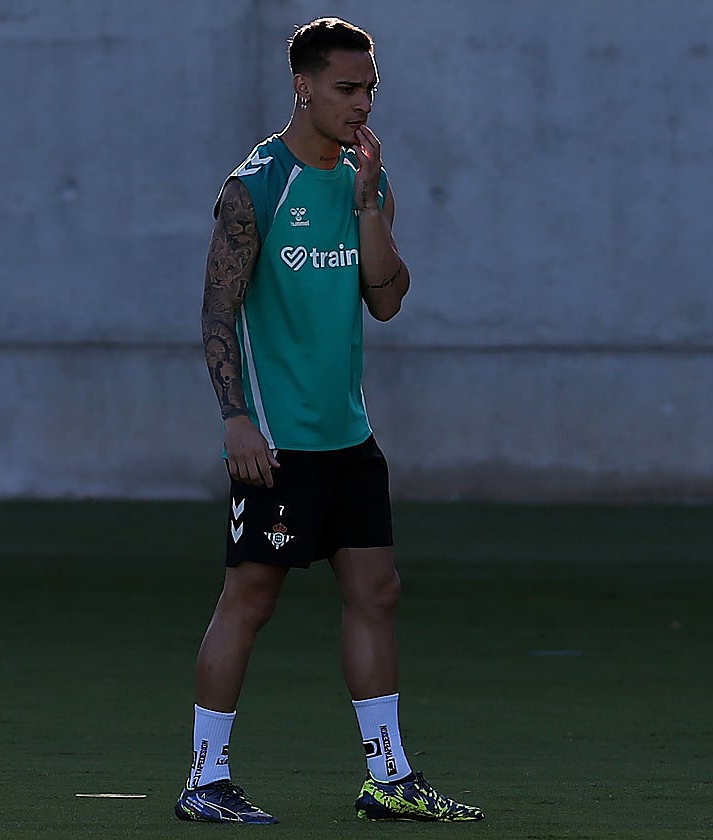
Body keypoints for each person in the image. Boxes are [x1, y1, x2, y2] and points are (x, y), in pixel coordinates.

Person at [174, 17, 483, 825]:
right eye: (348, 88)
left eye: (371, 87)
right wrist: (235, 418)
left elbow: (386, 301)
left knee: (377, 591)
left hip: (349, 437)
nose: (363, 102)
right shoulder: (255, 188)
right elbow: (216, 308)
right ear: (304, 86)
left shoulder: (364, 179)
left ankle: (390, 777)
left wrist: (370, 208)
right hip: (278, 443)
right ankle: (204, 780)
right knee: (250, 599)